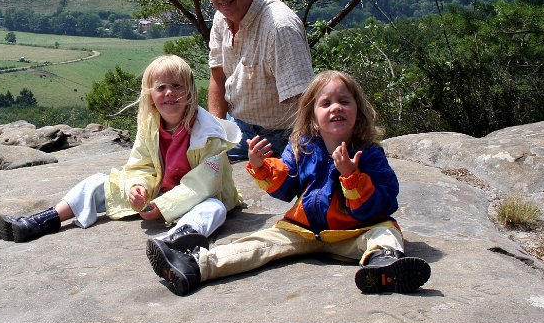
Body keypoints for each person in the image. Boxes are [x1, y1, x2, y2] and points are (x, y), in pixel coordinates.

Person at [146, 70, 431, 296]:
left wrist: (352, 177)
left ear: (358, 112)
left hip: (353, 233)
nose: (336, 108)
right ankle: (195, 266)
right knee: (259, 243)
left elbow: (385, 201)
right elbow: (286, 188)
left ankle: (383, 265)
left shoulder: (369, 153)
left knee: (385, 231)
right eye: (326, 103)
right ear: (313, 116)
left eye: (345, 101)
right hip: (304, 230)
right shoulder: (303, 147)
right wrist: (262, 167)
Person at [0, 54, 243, 248]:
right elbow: (141, 164)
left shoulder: (209, 133)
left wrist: (163, 206)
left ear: (190, 91)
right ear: (150, 95)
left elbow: (204, 184)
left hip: (194, 199)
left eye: (177, 86)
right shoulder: (150, 124)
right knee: (96, 182)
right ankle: (43, 221)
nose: (169, 93)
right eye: (161, 87)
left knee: (214, 209)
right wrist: (138, 188)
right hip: (158, 193)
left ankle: (173, 243)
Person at [206, 0, 315, 161]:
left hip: (281, 136)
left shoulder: (279, 27)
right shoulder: (221, 17)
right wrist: (215, 133)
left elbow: (304, 101)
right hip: (237, 126)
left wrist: (298, 156)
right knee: (190, 159)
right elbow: (218, 75)